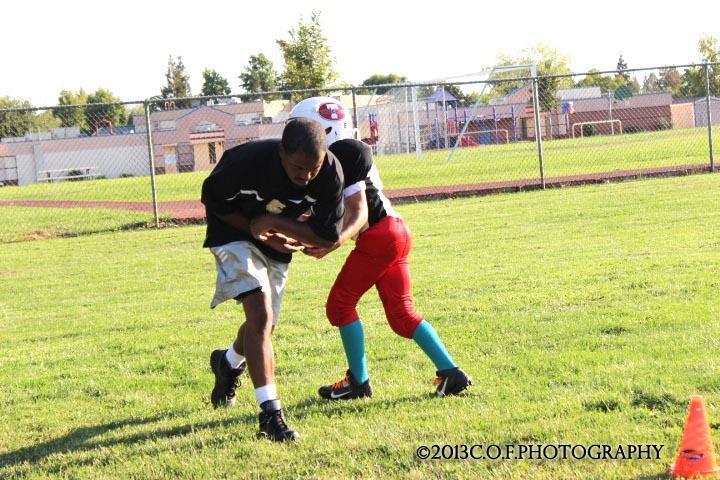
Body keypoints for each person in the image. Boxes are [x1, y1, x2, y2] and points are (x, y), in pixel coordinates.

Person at [288, 97, 472, 400]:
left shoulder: (342, 155)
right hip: (395, 230)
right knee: (402, 315)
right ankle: (451, 372)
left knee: (340, 305)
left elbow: (357, 212)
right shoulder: (343, 154)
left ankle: (358, 382)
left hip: (379, 235)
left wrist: (327, 241)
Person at [201, 118, 345, 441]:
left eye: (313, 168)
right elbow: (212, 198)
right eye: (298, 168)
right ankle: (270, 415)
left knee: (265, 326)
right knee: (261, 315)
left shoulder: (330, 172)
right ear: (281, 152)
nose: (306, 176)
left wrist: (272, 225)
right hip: (232, 233)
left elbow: (327, 235)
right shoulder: (246, 160)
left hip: (274, 239)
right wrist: (257, 228)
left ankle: (227, 362)